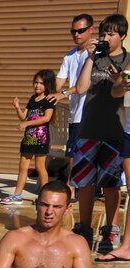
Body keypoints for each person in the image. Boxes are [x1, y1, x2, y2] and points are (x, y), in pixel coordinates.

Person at [72, 13, 128, 250]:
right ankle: (84, 228)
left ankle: (109, 231)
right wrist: (89, 58)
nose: (106, 37)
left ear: (122, 36)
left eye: (111, 33)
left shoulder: (127, 60)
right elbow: (83, 88)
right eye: (103, 33)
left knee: (110, 184)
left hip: (114, 129)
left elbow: (121, 92)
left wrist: (118, 79)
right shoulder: (95, 59)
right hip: (89, 128)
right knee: (84, 183)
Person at [0, 181, 96, 268]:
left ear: (67, 209)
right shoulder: (15, 239)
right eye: (44, 205)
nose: (49, 212)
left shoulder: (76, 244)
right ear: (36, 205)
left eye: (56, 206)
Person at [2, 70, 57, 206]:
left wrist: (27, 123)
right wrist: (17, 108)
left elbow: (46, 118)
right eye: (35, 82)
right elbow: (23, 117)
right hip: (28, 138)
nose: (37, 85)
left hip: (41, 139)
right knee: (22, 166)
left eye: (41, 83)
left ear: (47, 85)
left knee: (40, 167)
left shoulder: (49, 100)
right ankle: (17, 195)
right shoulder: (32, 99)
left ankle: (45, 197)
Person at [55, 15, 95, 199]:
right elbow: (59, 82)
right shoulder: (70, 55)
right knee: (72, 152)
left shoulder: (97, 54)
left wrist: (63, 93)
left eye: (80, 30)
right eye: (73, 31)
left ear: (91, 30)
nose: (76, 34)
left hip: (92, 113)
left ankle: (82, 188)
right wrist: (51, 93)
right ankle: (71, 189)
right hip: (75, 113)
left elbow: (82, 86)